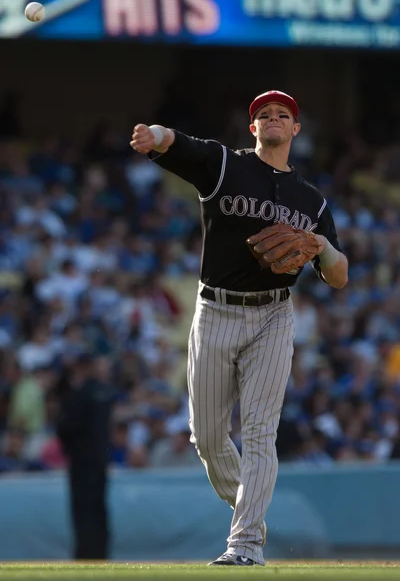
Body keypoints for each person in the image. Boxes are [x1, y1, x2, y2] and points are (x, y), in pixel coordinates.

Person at [130, 90, 348, 566]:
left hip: (274, 314)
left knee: (259, 433)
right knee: (206, 437)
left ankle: (245, 544)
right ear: (253, 129)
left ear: (295, 130)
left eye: (282, 114)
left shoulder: (310, 200)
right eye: (263, 114)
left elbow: (339, 275)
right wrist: (156, 135)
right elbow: (179, 144)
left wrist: (319, 245)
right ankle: (252, 516)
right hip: (216, 311)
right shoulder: (226, 165)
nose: (272, 118)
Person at [56, 355, 116, 560]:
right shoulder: (104, 394)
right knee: (99, 509)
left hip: (81, 463)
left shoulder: (79, 394)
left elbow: (66, 428)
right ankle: (101, 553)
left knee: (83, 511)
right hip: (100, 461)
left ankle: (86, 553)